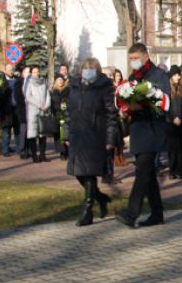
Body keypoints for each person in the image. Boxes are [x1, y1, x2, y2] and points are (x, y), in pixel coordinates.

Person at [119, 43, 170, 228]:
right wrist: (126, 110)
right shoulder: (133, 77)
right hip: (138, 129)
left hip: (153, 129)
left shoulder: (159, 75)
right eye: (130, 59)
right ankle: (157, 213)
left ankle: (131, 212)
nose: (133, 62)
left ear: (145, 57)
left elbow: (164, 102)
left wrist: (140, 106)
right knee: (147, 173)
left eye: (136, 58)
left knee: (142, 170)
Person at [66, 58, 119, 227]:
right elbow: (69, 112)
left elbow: (112, 115)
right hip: (77, 135)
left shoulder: (104, 88)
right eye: (86, 68)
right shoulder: (74, 87)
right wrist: (66, 134)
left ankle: (87, 211)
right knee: (78, 173)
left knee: (89, 173)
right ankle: (101, 198)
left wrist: (110, 139)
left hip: (95, 136)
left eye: (92, 68)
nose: (88, 71)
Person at [0, 63, 25, 158]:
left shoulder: (18, 80)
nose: (11, 71)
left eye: (12, 69)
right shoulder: (0, 81)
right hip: (6, 110)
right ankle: (5, 149)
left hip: (16, 109)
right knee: (6, 131)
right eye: (9, 70)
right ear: (5, 71)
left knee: (18, 130)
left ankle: (20, 148)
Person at [23, 66, 50, 163]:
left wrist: (46, 105)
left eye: (37, 71)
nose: (36, 73)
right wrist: (39, 105)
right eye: (34, 72)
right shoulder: (28, 82)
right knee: (33, 134)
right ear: (31, 73)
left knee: (43, 133)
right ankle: (34, 156)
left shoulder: (43, 82)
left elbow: (47, 95)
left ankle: (43, 155)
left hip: (43, 111)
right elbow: (28, 97)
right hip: (33, 111)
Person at [50, 76, 69, 160]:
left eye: (61, 80)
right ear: (55, 82)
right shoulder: (54, 91)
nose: (60, 82)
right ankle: (62, 151)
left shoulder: (67, 90)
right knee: (59, 134)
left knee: (65, 133)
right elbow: (53, 103)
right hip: (58, 114)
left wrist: (64, 106)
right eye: (58, 80)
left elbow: (68, 101)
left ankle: (66, 151)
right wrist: (60, 106)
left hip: (66, 114)